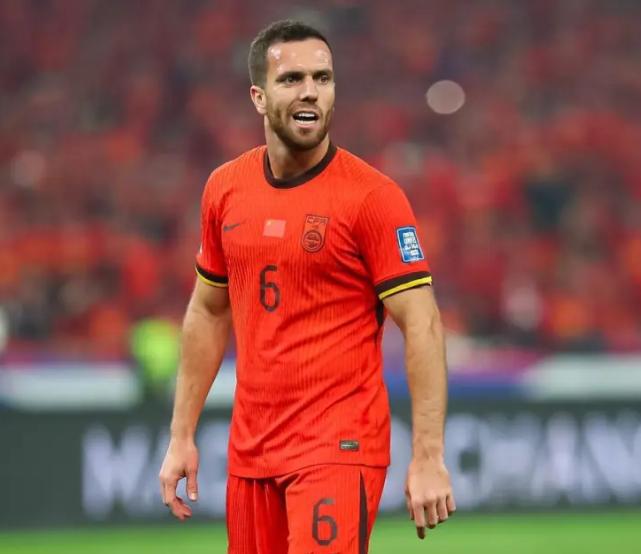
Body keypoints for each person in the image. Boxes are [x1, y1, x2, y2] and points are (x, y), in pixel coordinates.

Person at [159, 19, 455, 553]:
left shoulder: (372, 198)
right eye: (292, 79)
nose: (311, 91)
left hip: (338, 447)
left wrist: (428, 455)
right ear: (259, 96)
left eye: (323, 77)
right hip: (252, 451)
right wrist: (181, 434)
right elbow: (208, 310)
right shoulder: (225, 189)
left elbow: (423, 322)